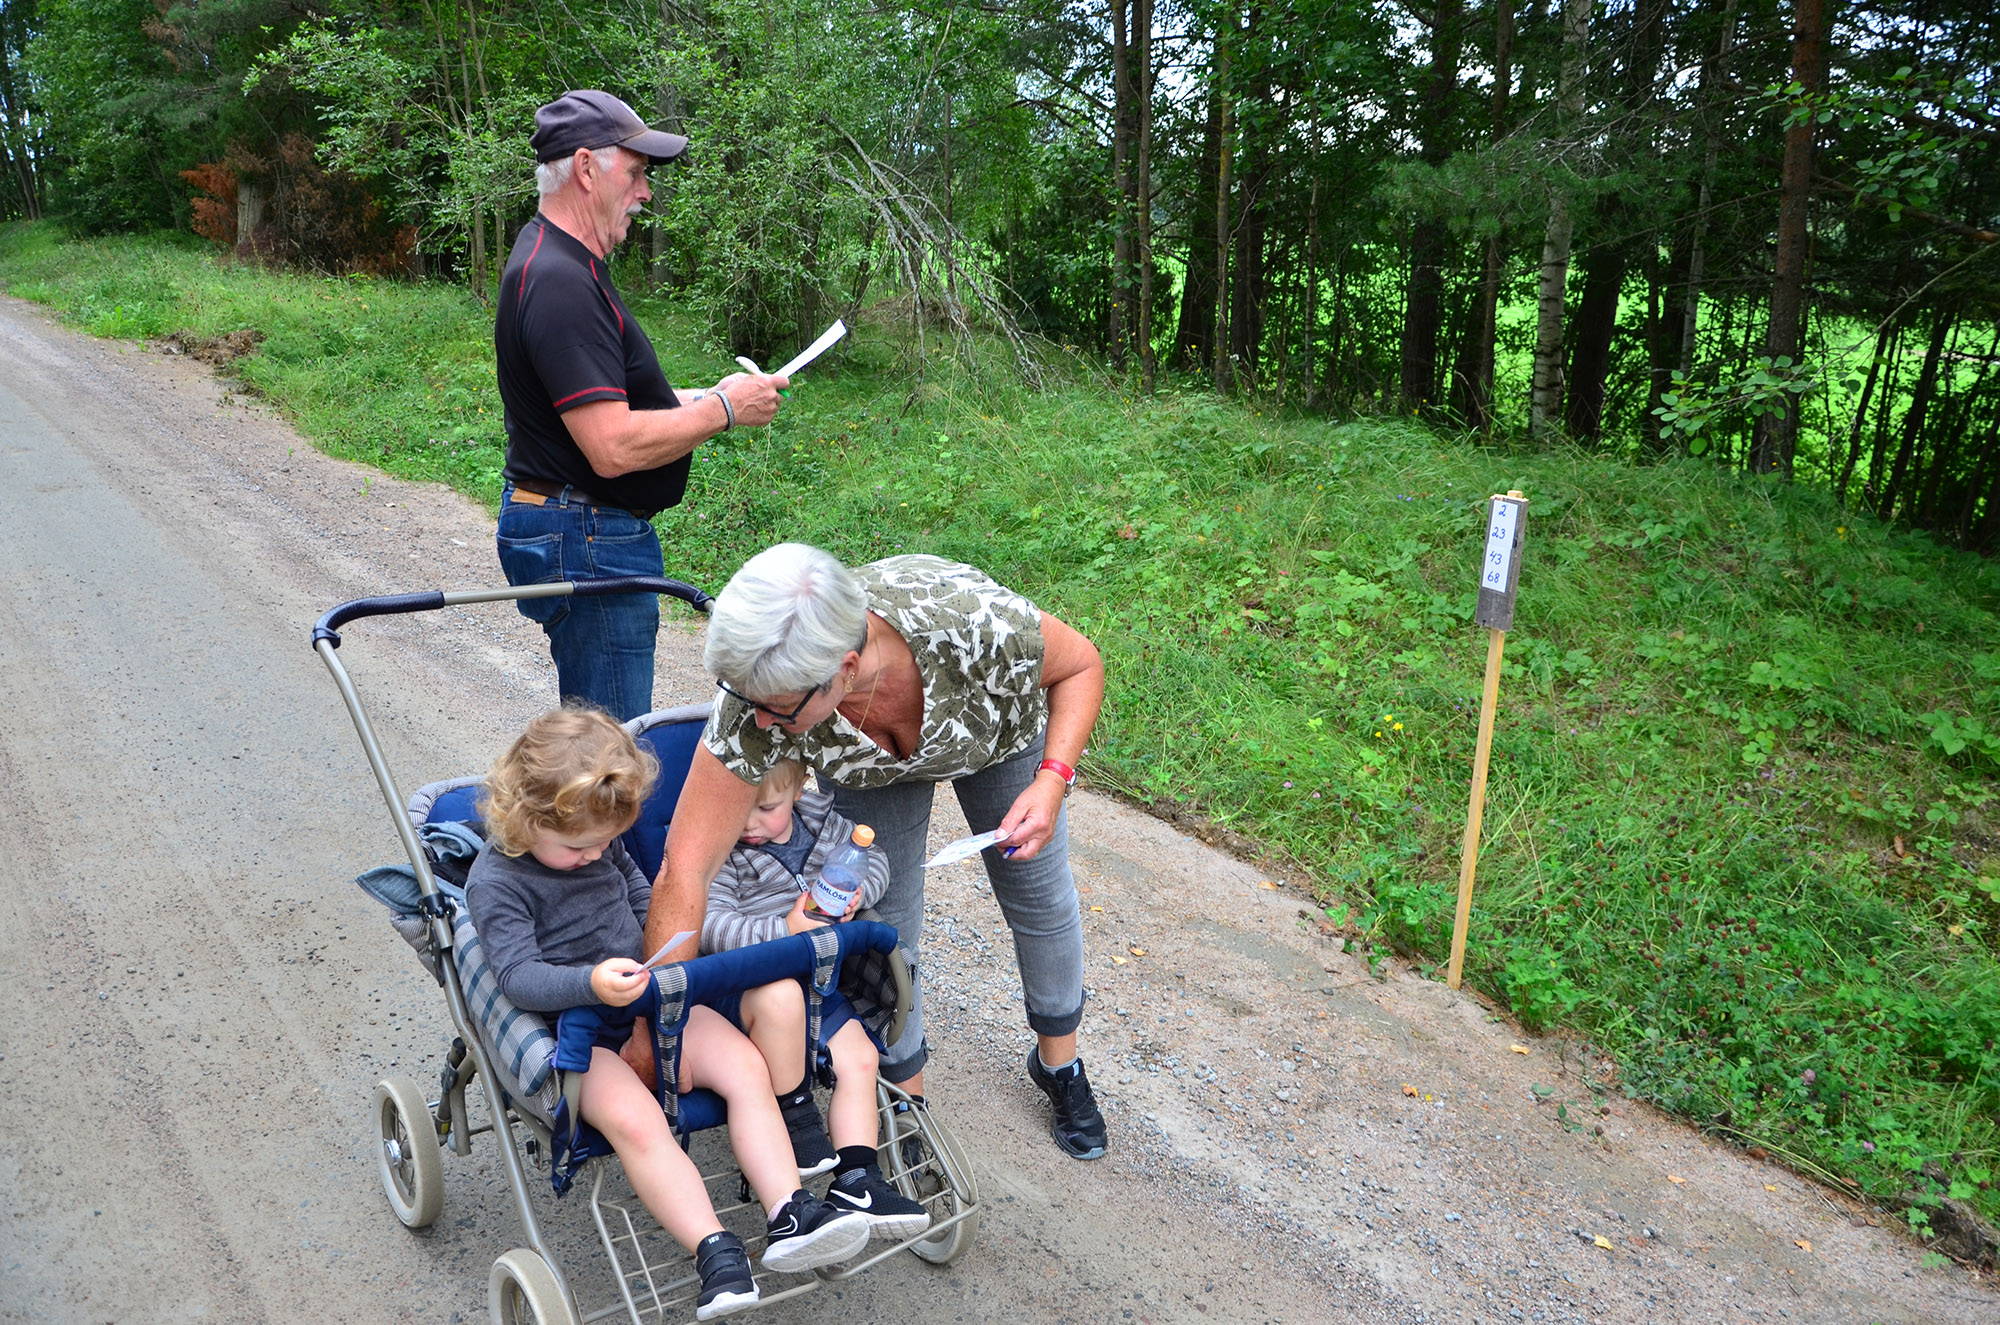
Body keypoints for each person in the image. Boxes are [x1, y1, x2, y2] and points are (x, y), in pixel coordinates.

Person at [643, 542, 1112, 1161]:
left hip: (993, 732)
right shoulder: (758, 700)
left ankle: (1059, 1065)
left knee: (1037, 896)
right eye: (747, 701)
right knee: (884, 925)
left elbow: (1082, 664)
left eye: (777, 710)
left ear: (846, 668)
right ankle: (905, 1102)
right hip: (872, 768)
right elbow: (685, 867)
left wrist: (1053, 779)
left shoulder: (971, 621)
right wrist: (657, 1024)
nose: (758, 724)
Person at [465, 706, 868, 1320]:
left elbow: (637, 892)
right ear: (526, 820)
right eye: (579, 847)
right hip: (579, 1031)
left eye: (606, 841)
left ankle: (789, 1210)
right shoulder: (497, 882)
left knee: (747, 1069)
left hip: (653, 1000)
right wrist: (590, 983)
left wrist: (661, 948)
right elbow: (518, 977)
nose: (597, 854)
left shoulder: (601, 844)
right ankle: (715, 1248)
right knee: (637, 1123)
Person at [495, 90, 788, 720]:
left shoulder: (556, 259)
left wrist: (713, 396)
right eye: (635, 173)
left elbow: (606, 403)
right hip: (587, 535)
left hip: (575, 526)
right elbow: (611, 445)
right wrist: (724, 411)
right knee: (610, 750)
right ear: (585, 168)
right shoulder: (561, 281)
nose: (646, 192)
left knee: (597, 741)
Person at [702, 758, 932, 1237]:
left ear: (797, 791)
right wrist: (783, 929)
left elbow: (876, 859)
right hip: (750, 992)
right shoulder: (722, 851)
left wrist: (859, 893)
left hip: (817, 987)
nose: (749, 823)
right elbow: (711, 927)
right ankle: (797, 1117)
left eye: (766, 808)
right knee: (780, 996)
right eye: (739, 809)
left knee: (861, 1059)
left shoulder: (821, 823)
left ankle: (857, 1180)